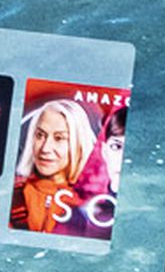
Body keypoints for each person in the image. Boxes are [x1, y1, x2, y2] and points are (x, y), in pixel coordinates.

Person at [11, 96, 99, 234]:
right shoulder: (12, 193)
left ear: (79, 144)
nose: (45, 148)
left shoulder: (95, 205)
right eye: (40, 135)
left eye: (59, 138)